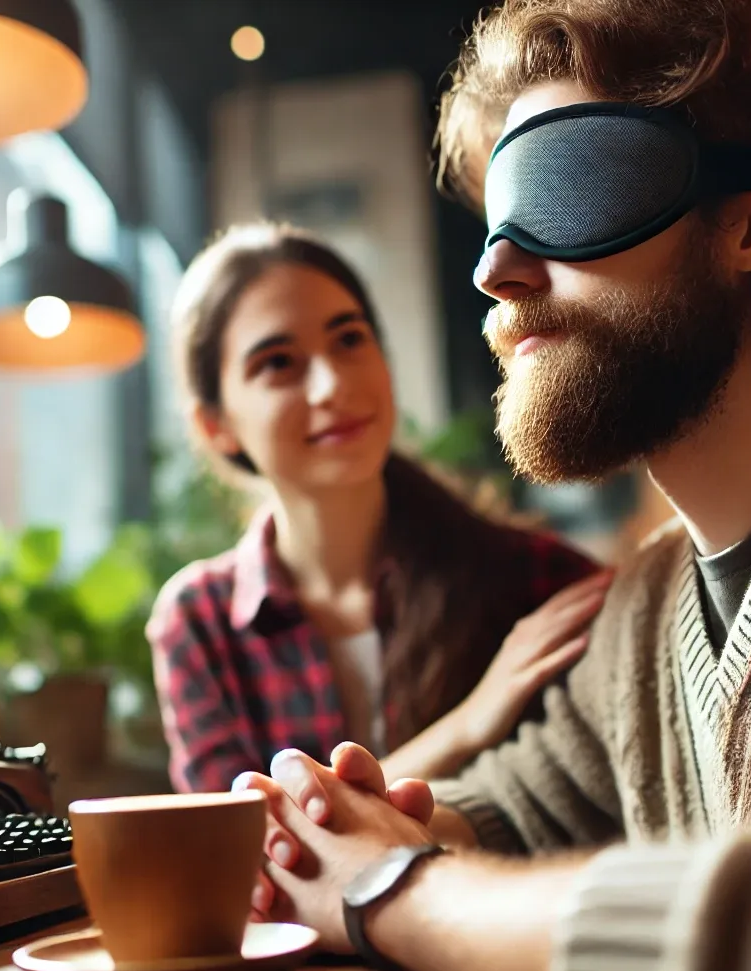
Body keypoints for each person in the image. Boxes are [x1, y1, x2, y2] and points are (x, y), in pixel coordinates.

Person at [236, 2, 751, 971]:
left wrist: (391, 890)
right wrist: (340, 832)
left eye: (564, 184)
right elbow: (506, 809)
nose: (494, 272)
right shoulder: (638, 613)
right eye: (496, 215)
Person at [146, 223, 607, 793]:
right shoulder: (199, 622)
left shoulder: (537, 582)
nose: (330, 385)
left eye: (349, 340)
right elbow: (240, 849)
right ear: (215, 425)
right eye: (278, 363)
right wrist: (467, 725)